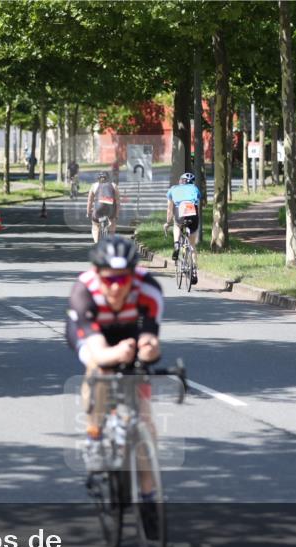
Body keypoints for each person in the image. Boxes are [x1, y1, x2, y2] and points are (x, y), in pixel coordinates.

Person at [65, 235, 162, 468]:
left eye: (123, 279)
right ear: (97, 274)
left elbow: (149, 337)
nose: (117, 286)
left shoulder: (149, 289)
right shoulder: (83, 292)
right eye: (109, 280)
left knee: (145, 417)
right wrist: (117, 353)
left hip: (128, 330)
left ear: (134, 275)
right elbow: (99, 353)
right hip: (90, 334)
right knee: (99, 369)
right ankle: (94, 435)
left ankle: (150, 496)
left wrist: (148, 350)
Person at [164, 172, 202, 285]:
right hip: (193, 212)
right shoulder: (195, 188)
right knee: (192, 245)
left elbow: (169, 209)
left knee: (177, 225)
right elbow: (197, 205)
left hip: (180, 211)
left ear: (180, 181)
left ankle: (176, 244)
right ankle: (194, 271)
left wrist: (167, 222)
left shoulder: (173, 189)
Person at [86, 171, 121, 243]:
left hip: (98, 209)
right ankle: (111, 240)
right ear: (108, 178)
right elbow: (117, 202)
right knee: (112, 222)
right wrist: (116, 215)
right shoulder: (114, 185)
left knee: (95, 225)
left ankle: (96, 243)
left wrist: (88, 212)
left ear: (98, 178)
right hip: (110, 209)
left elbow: (90, 201)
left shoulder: (94, 186)